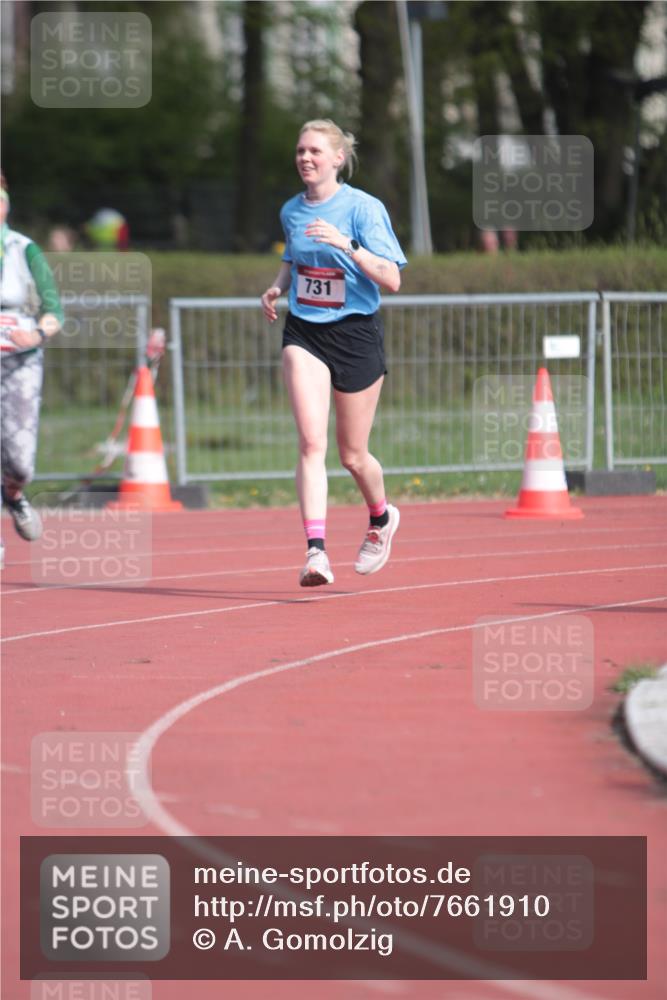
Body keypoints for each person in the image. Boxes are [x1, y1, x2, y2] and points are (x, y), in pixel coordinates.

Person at [261, 120, 407, 587]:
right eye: (300, 150)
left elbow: (392, 278)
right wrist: (277, 286)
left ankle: (381, 518)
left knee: (352, 455)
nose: (305, 158)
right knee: (310, 443)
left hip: (355, 334)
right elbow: (294, 258)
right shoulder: (291, 210)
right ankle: (316, 553)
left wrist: (347, 244)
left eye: (314, 152)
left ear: (337, 158)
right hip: (304, 332)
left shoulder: (364, 209)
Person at [0, 172, 63, 566]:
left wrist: (37, 334)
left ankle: (14, 493)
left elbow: (54, 310)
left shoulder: (24, 249)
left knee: (19, 461)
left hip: (20, 360)